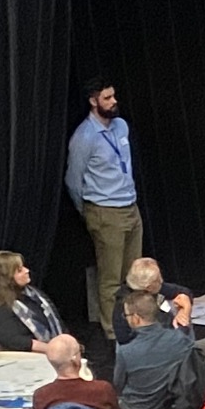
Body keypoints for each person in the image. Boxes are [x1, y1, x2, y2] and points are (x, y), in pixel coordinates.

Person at [64, 77, 141, 320]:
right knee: (111, 279)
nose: (114, 101)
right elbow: (73, 180)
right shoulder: (84, 137)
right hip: (105, 211)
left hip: (130, 205)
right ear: (92, 101)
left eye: (113, 96)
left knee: (136, 273)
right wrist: (88, 211)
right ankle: (113, 331)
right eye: (107, 98)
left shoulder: (120, 126)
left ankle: (136, 321)